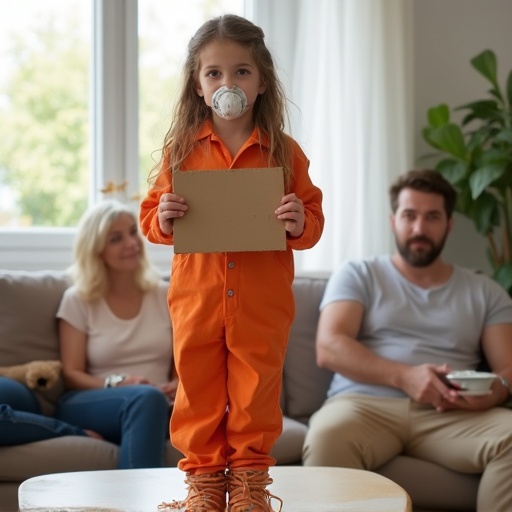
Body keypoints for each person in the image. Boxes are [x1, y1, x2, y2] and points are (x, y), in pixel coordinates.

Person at [139, 14, 324, 512]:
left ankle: (247, 488)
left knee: (255, 393)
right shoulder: (180, 152)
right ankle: (202, 486)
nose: (228, 83)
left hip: (262, 304)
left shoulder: (285, 154)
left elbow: (313, 219)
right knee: (196, 390)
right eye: (214, 74)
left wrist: (296, 220)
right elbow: (150, 218)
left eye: (241, 72)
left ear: (261, 81)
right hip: (196, 300)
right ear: (198, 87)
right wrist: (165, 215)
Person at [303, 169, 512, 512]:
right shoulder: (359, 273)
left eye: (432, 217)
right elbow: (330, 347)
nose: (419, 229)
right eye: (409, 216)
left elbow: (507, 366)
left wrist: (499, 389)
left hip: (451, 412)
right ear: (392, 221)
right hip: (363, 405)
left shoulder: (485, 290)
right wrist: (406, 377)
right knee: (327, 437)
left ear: (449, 224)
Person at [0, 200, 176, 469]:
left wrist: (179, 386)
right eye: (116, 239)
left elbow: (182, 363)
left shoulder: (166, 294)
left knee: (153, 401)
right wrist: (120, 383)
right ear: (97, 251)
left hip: (159, 404)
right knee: (146, 398)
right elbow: (72, 375)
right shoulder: (78, 300)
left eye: (132, 232)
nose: (132, 243)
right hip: (93, 401)